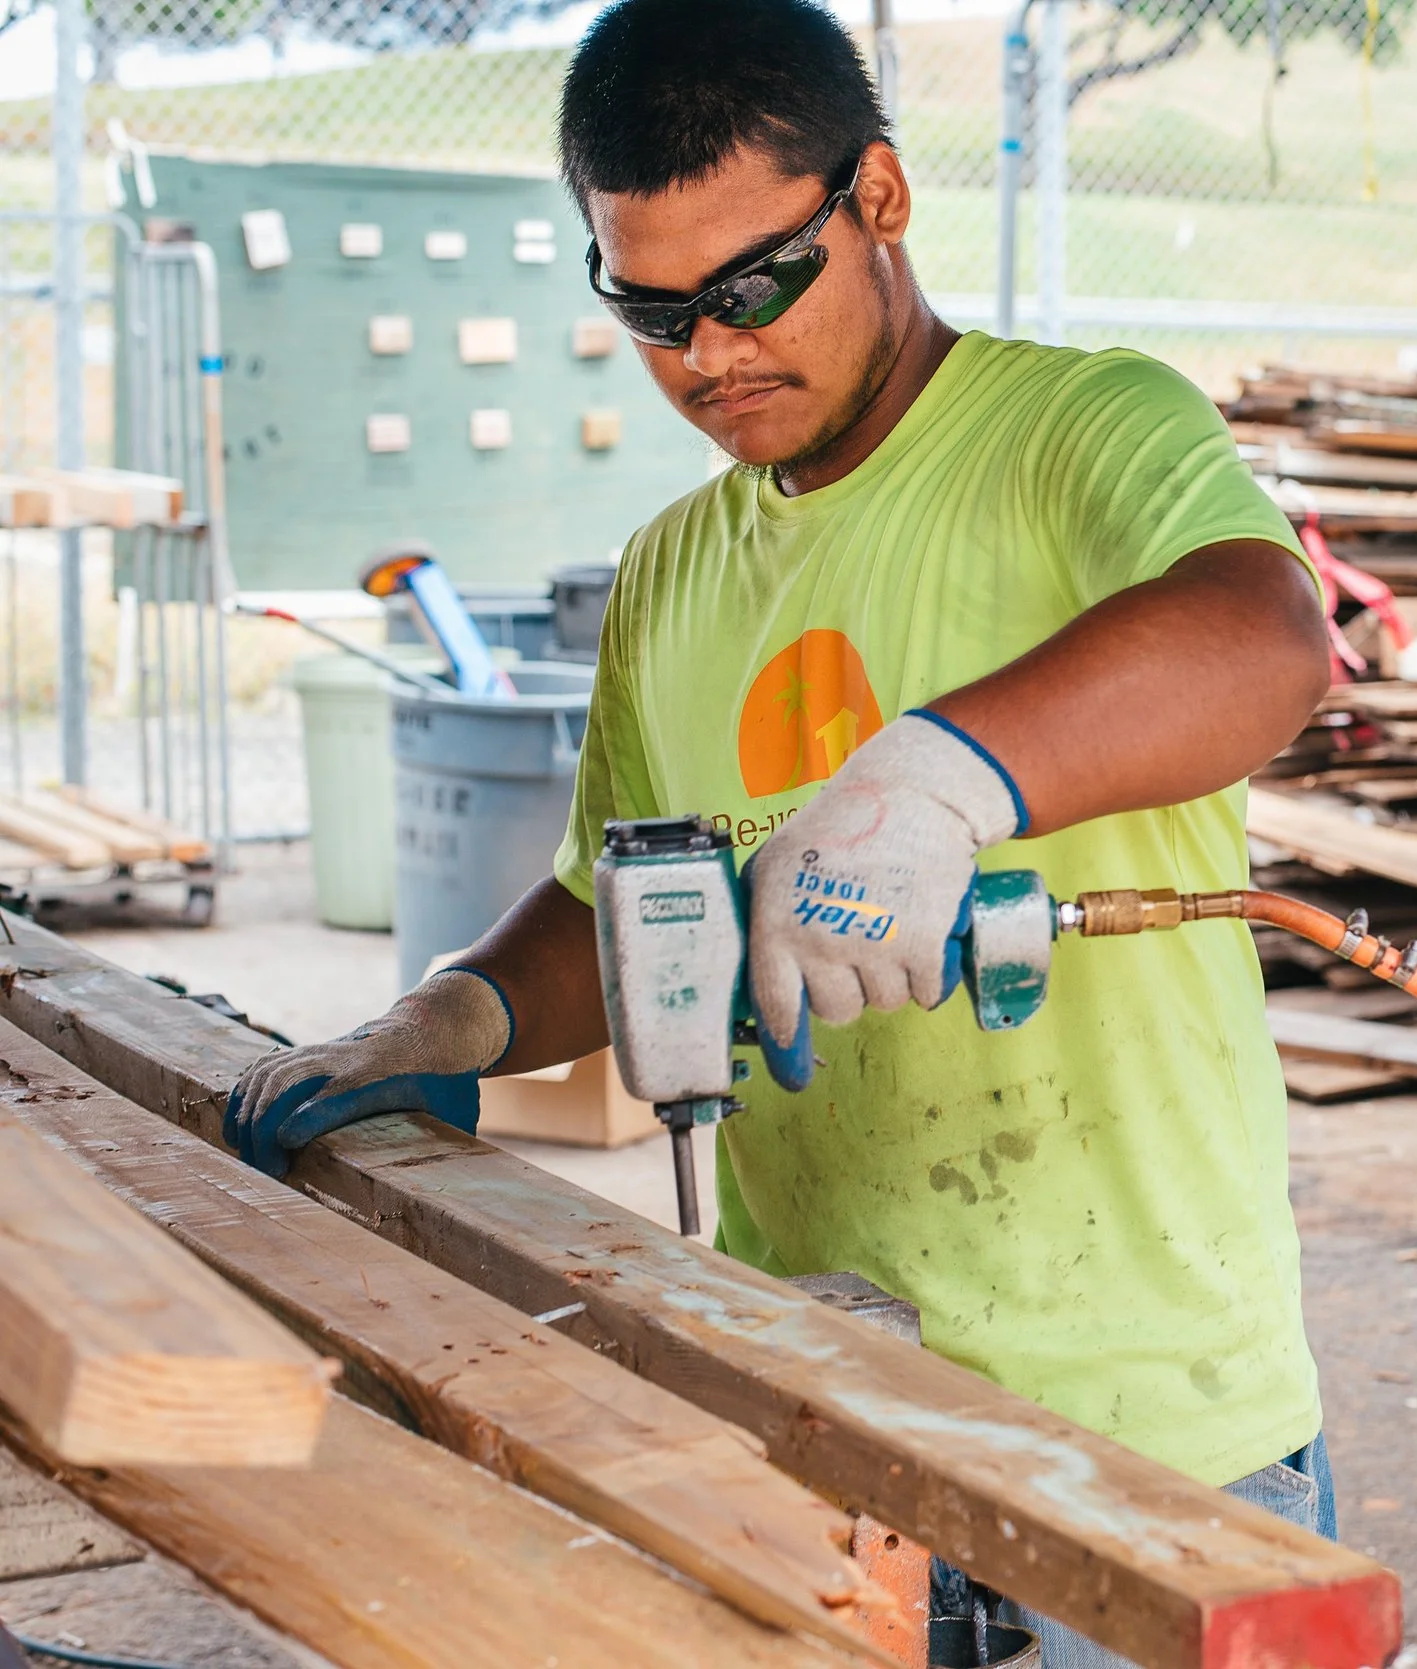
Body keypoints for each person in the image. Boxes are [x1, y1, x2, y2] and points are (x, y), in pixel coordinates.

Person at [224, 0, 1336, 1657]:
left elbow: (1268, 642)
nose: (709, 357)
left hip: (1143, 1437)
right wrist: (460, 1008)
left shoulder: (1083, 433)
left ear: (878, 197)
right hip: (808, 1403)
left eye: (752, 288)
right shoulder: (672, 568)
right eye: (650, 309)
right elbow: (631, 905)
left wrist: (943, 780)